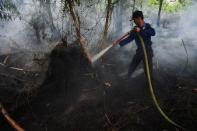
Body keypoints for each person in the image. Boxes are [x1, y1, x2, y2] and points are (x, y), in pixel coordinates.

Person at [113, 10, 156, 78]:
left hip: (147, 52)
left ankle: (150, 85)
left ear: (139, 18)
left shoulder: (147, 26)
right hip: (139, 51)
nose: (134, 21)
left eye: (134, 19)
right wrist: (118, 43)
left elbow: (153, 33)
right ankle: (127, 77)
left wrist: (141, 31)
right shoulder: (135, 29)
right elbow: (129, 38)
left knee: (148, 71)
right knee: (132, 65)